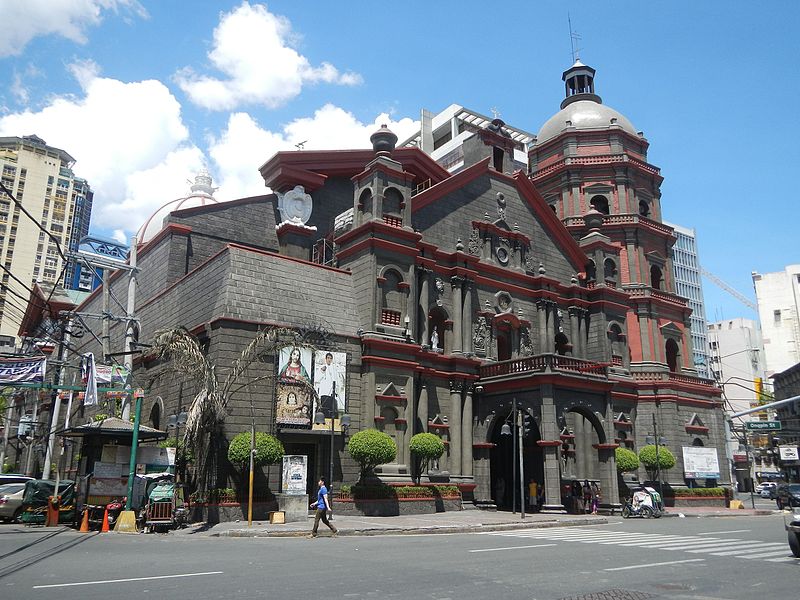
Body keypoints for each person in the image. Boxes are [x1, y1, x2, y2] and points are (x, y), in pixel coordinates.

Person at [315, 352, 342, 417]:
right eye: (328, 358)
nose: (329, 359)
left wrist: (337, 391)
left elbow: (337, 381)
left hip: (332, 394)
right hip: (324, 393)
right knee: (324, 409)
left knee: (332, 410)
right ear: (326, 359)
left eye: (330, 358)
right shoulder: (322, 367)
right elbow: (317, 379)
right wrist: (322, 371)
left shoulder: (334, 369)